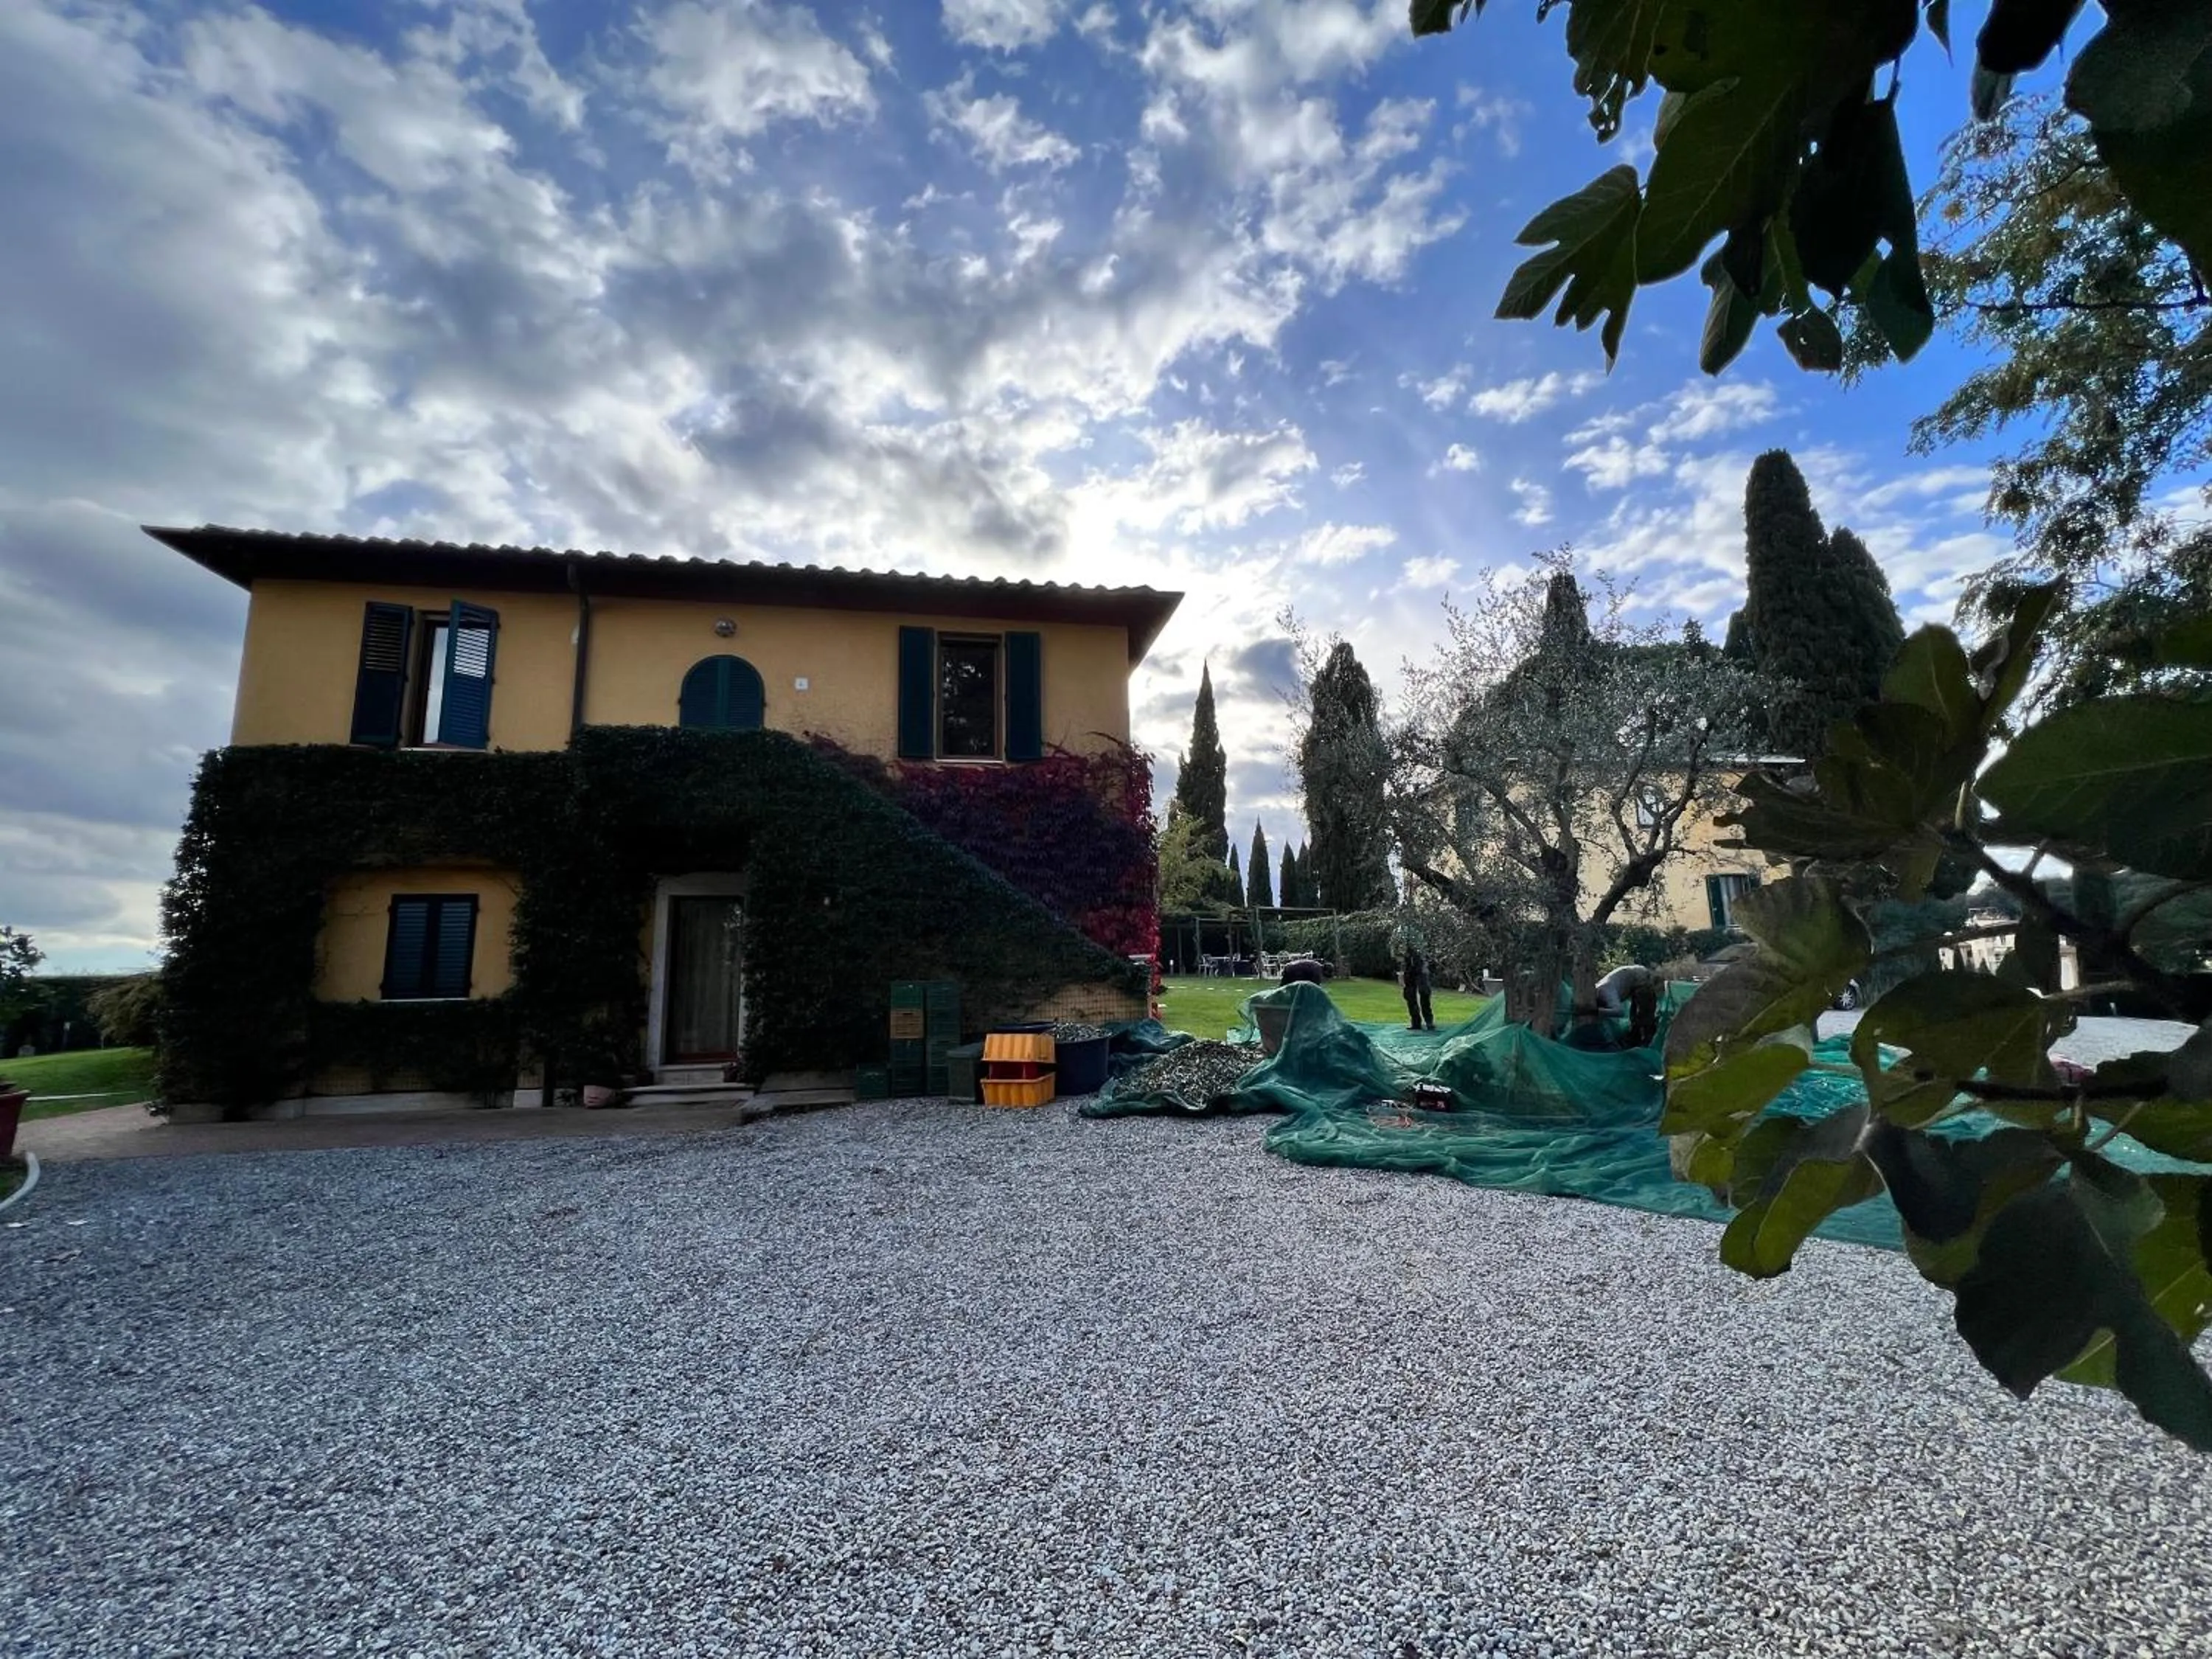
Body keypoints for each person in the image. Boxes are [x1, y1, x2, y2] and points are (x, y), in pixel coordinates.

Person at [1400, 942, 1435, 1032]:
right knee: (1410, 995)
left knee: (1424, 993)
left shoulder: (1420, 936)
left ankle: (1429, 1022)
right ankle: (1416, 1022)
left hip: (1421, 967)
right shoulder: (1402, 935)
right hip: (1409, 968)